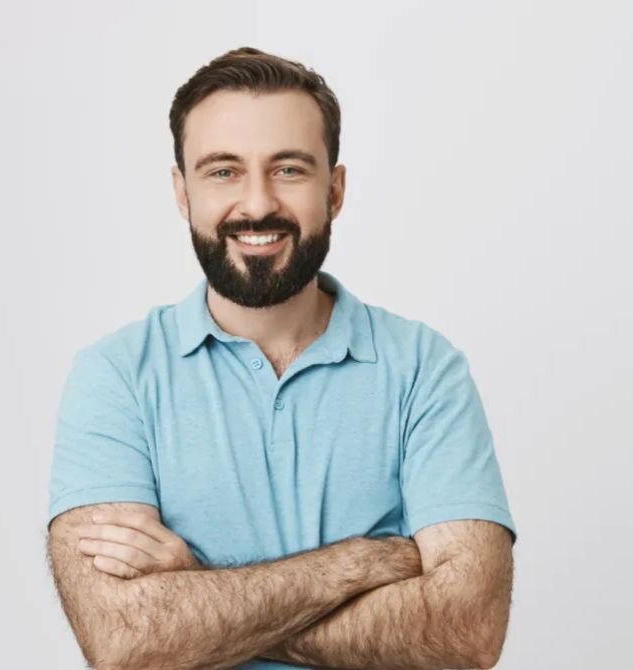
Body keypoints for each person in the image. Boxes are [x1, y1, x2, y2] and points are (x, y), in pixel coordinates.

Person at [46, 46, 517, 670]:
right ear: (183, 192)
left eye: (289, 169)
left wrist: (199, 594)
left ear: (335, 190)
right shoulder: (115, 376)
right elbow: (125, 640)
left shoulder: (424, 369)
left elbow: (468, 631)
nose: (257, 204)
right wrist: (366, 561)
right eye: (223, 171)